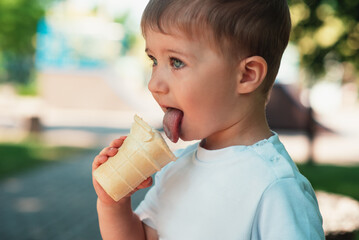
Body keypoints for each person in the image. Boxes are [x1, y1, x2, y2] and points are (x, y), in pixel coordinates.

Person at [92, 0, 325, 239]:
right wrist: (113, 205)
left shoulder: (275, 186)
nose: (153, 85)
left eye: (176, 62)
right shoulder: (175, 168)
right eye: (154, 60)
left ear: (246, 75)